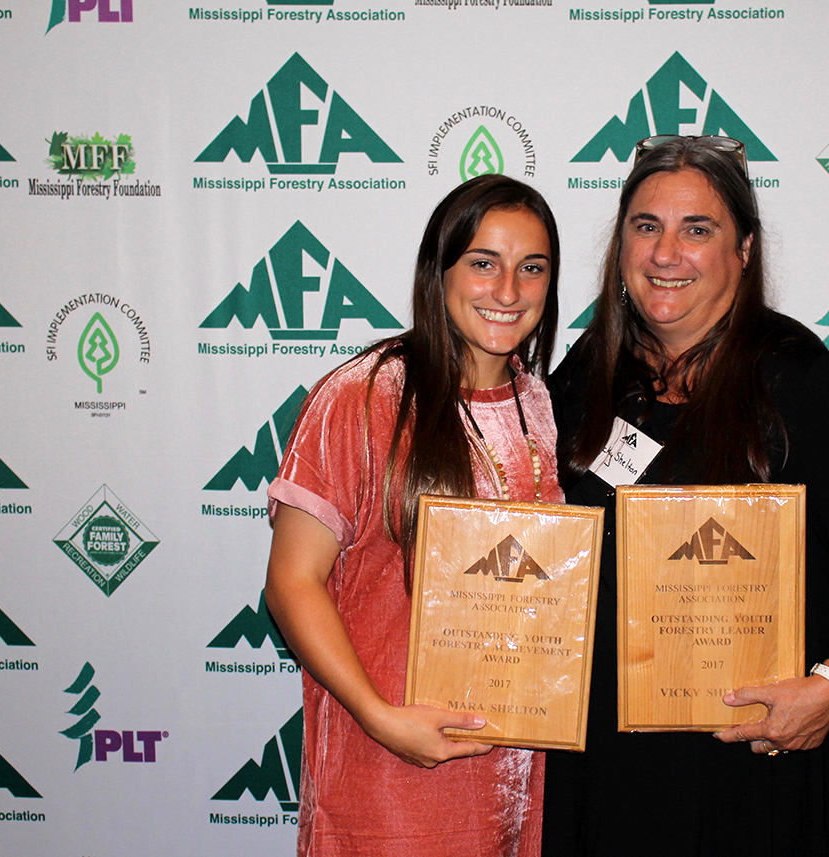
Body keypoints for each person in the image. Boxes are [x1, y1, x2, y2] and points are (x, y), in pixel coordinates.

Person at [542, 136, 829, 856]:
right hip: (613, 765)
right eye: (645, 226)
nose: (664, 252)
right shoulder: (587, 375)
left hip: (756, 762)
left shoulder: (801, 380)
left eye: (698, 229)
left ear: (744, 249)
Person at [265, 174, 565, 857]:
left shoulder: (545, 408)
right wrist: (381, 717)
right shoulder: (364, 395)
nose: (508, 291)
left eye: (532, 268)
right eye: (484, 264)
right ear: (440, 270)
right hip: (388, 777)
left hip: (518, 776)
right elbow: (291, 582)